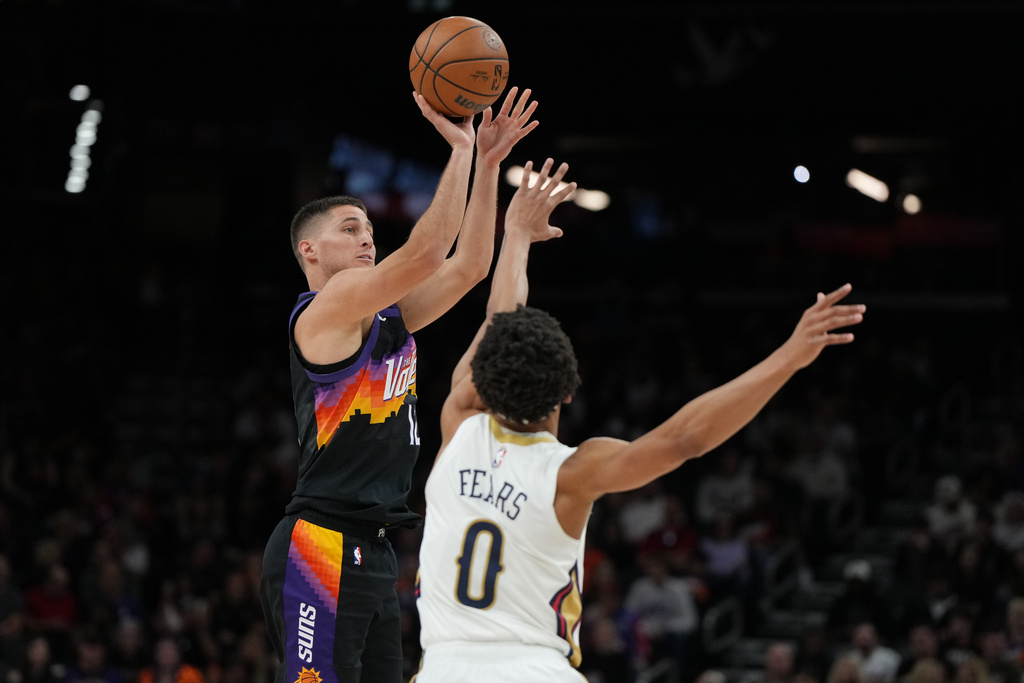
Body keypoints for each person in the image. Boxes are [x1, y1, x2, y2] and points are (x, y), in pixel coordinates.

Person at [413, 155, 867, 681]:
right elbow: (685, 440)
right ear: (567, 395)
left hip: (442, 667)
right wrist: (788, 357)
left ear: (484, 379)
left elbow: (498, 322)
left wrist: (515, 236)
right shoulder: (570, 473)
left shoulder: (460, 420)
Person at [258, 85, 540, 683]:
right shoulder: (324, 309)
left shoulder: (386, 317)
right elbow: (430, 249)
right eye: (350, 229)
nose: (367, 238)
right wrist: (461, 148)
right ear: (309, 250)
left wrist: (488, 165)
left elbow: (468, 266)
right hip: (322, 543)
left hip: (377, 548)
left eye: (369, 230)